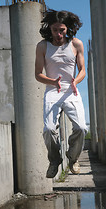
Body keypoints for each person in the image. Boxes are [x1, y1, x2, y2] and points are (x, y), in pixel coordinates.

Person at [35, 9, 87, 178]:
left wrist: (75, 81)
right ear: (49, 28)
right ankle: (54, 160)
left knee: (81, 127)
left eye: (62, 30)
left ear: (67, 28)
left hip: (71, 91)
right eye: (55, 30)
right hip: (52, 91)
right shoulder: (43, 46)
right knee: (49, 129)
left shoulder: (76, 44)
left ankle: (73, 158)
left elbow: (82, 71)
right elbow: (38, 74)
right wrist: (52, 82)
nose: (58, 34)